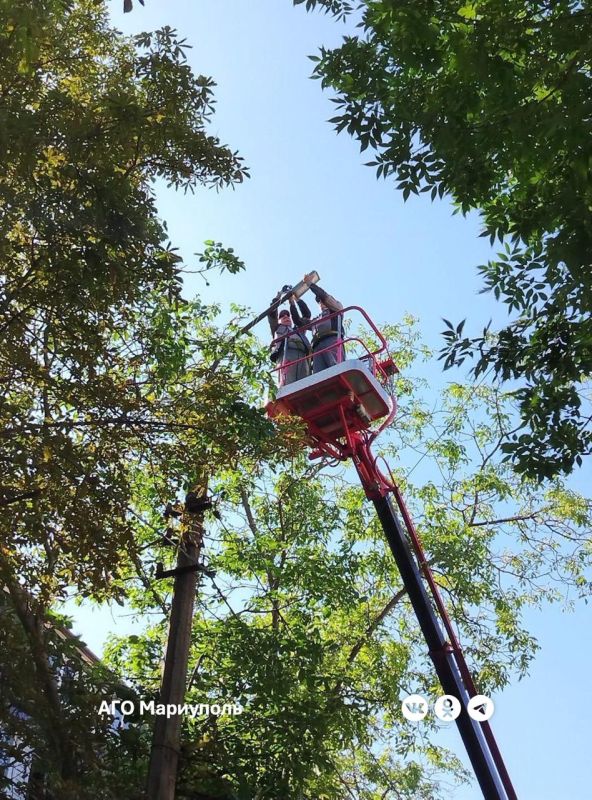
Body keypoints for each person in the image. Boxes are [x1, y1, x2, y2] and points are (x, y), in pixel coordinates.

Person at [295, 273, 344, 372]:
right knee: (319, 375)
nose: (321, 303)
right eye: (319, 302)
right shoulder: (317, 320)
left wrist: (310, 284)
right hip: (317, 346)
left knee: (335, 369)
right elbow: (299, 322)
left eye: (322, 301)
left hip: (332, 341)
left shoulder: (336, 309)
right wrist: (295, 301)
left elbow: (324, 296)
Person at [267, 295, 312, 386]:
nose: (286, 316)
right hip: (286, 355)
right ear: (278, 320)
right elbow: (272, 314)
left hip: (303, 358)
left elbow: (306, 315)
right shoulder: (277, 328)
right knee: (287, 384)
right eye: (282, 316)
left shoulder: (299, 330)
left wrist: (294, 301)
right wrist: (277, 298)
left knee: (305, 384)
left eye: (288, 315)